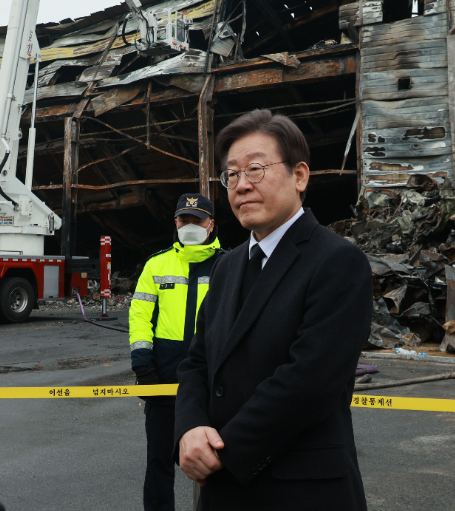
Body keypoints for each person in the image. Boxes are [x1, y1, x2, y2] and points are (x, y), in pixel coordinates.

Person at [174, 109, 373, 511]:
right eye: (231, 175)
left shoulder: (337, 261)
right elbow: (197, 361)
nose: (241, 186)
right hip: (223, 494)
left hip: (300, 491)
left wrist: (222, 451)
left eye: (255, 169)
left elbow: (310, 382)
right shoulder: (228, 266)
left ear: (299, 176)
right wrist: (190, 429)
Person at [129, 193, 226, 511]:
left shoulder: (229, 265)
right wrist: (143, 365)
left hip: (214, 383)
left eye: (198, 220)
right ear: (175, 222)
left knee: (217, 463)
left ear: (211, 225)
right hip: (163, 380)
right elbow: (140, 316)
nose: (191, 225)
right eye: (185, 219)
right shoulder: (157, 264)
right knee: (159, 462)